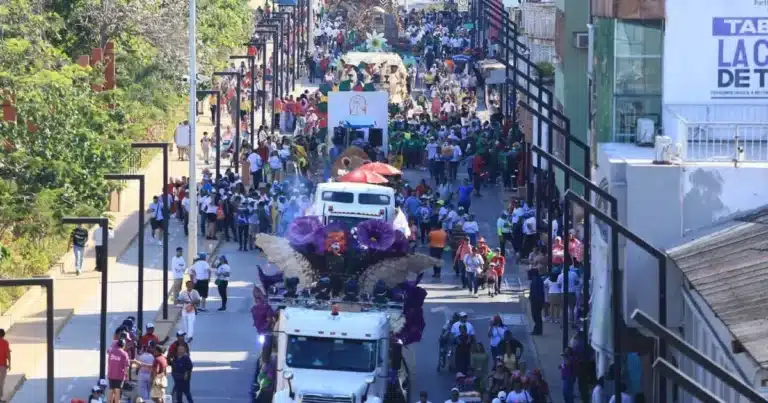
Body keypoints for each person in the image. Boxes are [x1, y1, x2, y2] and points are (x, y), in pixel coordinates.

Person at [106, 339, 131, 403]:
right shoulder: (124, 354)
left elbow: (109, 362)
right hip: (119, 376)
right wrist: (126, 376)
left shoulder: (111, 352)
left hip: (111, 374)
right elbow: (127, 366)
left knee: (111, 391)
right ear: (124, 345)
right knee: (117, 392)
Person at [529, 268, 545, 335]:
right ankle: (539, 330)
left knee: (535, 315)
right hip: (539, 300)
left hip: (536, 301)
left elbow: (534, 292)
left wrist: (531, 298)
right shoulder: (539, 279)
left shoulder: (535, 280)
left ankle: (537, 330)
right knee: (538, 316)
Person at [0, 329, 9, 400]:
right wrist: (10, 363)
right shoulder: (5, 342)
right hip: (3, 364)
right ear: (3, 335)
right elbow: (7, 354)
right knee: (1, 381)